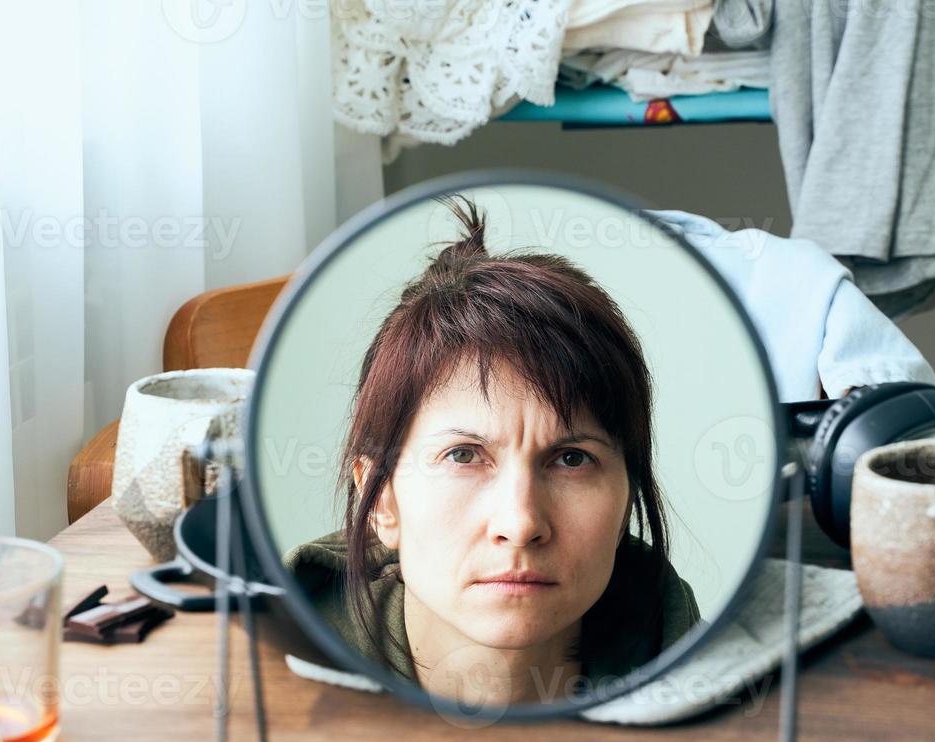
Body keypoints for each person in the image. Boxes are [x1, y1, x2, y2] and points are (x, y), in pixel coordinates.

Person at [284, 195, 700, 709]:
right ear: (384, 501)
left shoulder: (682, 650)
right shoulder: (281, 664)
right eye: (462, 455)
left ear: (624, 501)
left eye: (572, 459)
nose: (521, 523)